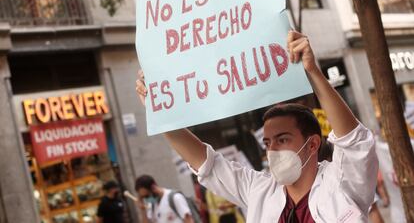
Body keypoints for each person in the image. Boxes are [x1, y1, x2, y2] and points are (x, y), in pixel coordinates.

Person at [135, 30, 379, 222]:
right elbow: (206, 164)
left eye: (282, 139)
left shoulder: (342, 183)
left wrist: (313, 72)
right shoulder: (260, 191)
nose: (272, 150)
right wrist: (161, 114)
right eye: (267, 142)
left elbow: (353, 141)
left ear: (313, 143)